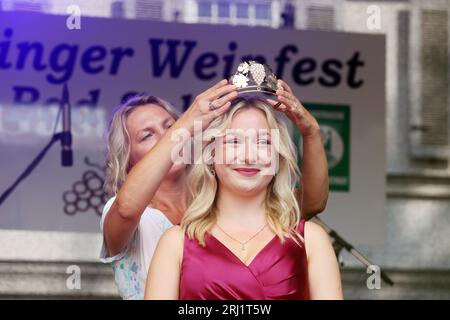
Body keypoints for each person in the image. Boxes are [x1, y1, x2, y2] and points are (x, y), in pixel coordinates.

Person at [101, 78, 328, 299]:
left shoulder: (221, 199)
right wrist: (186, 123)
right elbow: (125, 209)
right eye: (147, 135)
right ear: (128, 159)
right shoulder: (136, 216)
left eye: (169, 126)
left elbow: (312, 203)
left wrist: (310, 132)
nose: (165, 138)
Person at [144, 98, 342, 300]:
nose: (248, 156)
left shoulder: (311, 240)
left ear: (278, 158)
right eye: (234, 141)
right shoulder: (175, 242)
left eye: (263, 142)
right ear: (211, 155)